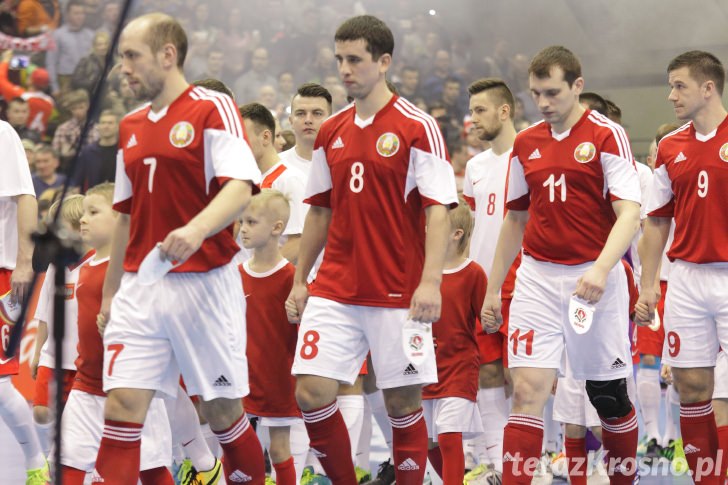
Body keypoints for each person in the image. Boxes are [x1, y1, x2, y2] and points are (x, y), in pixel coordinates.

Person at [93, 13, 265, 485]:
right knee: (123, 405)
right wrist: (111, 292)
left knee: (222, 410)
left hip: (205, 285)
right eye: (121, 57)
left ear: (168, 55)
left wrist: (196, 229)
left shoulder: (211, 108)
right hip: (140, 289)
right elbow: (125, 215)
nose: (123, 67)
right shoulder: (128, 125)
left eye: (132, 56)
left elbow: (242, 187)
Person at [286, 15, 457, 484]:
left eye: (354, 59)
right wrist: (302, 280)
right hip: (336, 287)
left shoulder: (417, 126)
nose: (344, 69)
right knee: (311, 392)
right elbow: (319, 210)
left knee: (402, 402)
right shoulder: (330, 130)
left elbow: (438, 210)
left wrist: (431, 281)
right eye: (339, 59)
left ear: (383, 62)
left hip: (398, 290)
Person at [481, 45, 641, 485]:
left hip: (593, 279)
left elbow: (629, 212)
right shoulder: (526, 143)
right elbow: (515, 219)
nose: (544, 103)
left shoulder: (606, 135)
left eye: (552, 92)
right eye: (536, 94)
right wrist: (494, 289)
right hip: (537, 276)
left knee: (607, 397)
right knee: (528, 391)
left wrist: (601, 269)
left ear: (577, 86)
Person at [635, 50, 728, 484]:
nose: (670, 95)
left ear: (708, 87)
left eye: (679, 85)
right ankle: (705, 479)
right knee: (691, 388)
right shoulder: (670, 147)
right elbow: (656, 222)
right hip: (687, 277)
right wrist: (648, 283)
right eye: (670, 85)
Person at [58, 183, 174, 485]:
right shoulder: (82, 269)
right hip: (86, 386)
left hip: (132, 390)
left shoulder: (134, 270)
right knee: (66, 464)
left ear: (122, 219)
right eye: (83, 213)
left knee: (150, 470)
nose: (83, 219)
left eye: (93, 212)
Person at [461, 77, 518, 479]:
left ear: (504, 111)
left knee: (527, 378)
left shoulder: (529, 153)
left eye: (480, 111)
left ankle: (542, 458)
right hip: (482, 284)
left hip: (525, 279)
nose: (472, 120)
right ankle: (502, 466)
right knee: (488, 374)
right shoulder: (475, 166)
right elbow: (469, 225)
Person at [423, 198, 485, 484]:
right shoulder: (420, 271)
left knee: (449, 436)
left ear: (456, 234)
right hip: (425, 367)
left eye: (433, 224)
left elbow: (488, 321)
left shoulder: (473, 274)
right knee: (428, 442)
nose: (426, 228)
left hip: (459, 367)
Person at [239, 190, 300, 484]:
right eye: (242, 222)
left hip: (277, 377)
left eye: (251, 222)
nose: (243, 229)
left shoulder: (292, 278)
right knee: (237, 447)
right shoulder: (234, 275)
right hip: (241, 376)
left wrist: (301, 313)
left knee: (278, 449)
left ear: (277, 228)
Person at [0, 115, 45, 484]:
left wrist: (24, 262)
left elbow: (26, 197)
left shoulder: (2, 133)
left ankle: (35, 462)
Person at [30, 194, 90, 455]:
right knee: (41, 414)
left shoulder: (95, 266)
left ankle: (58, 460)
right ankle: (52, 455)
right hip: (52, 356)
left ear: (79, 227)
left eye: (61, 226)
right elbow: (44, 314)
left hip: (82, 361)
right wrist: (36, 353)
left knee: (75, 423)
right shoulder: (56, 267)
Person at [240, 103, 306, 265]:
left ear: (265, 137)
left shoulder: (290, 179)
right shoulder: (248, 179)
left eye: (243, 138)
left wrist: (263, 273)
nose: (238, 145)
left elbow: (298, 243)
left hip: (281, 283)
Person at [279, 82, 332, 178]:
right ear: (291, 121)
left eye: (317, 113)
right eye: (300, 113)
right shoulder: (276, 166)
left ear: (332, 120)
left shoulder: (344, 164)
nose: (308, 120)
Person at [46, 0, 94, 94]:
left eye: (82, 13)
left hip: (86, 79)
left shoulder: (91, 35)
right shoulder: (57, 35)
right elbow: (51, 63)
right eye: (76, 13)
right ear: (68, 15)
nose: (80, 17)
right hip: (66, 79)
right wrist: (54, 87)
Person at [71, 110, 120, 192]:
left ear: (118, 126)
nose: (106, 126)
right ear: (99, 126)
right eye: (103, 123)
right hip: (94, 198)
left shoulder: (123, 151)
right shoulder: (88, 152)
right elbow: (78, 183)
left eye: (110, 123)